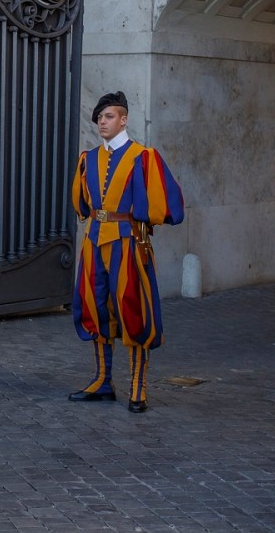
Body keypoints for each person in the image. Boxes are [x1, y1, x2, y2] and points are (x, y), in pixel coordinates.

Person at [67, 91, 185, 413]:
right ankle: (103, 381)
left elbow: (166, 207)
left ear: (124, 119)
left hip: (127, 243)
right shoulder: (88, 159)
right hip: (93, 242)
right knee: (95, 308)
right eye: (99, 118)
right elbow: (82, 205)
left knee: (132, 309)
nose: (101, 123)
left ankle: (138, 386)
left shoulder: (142, 157)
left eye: (108, 117)